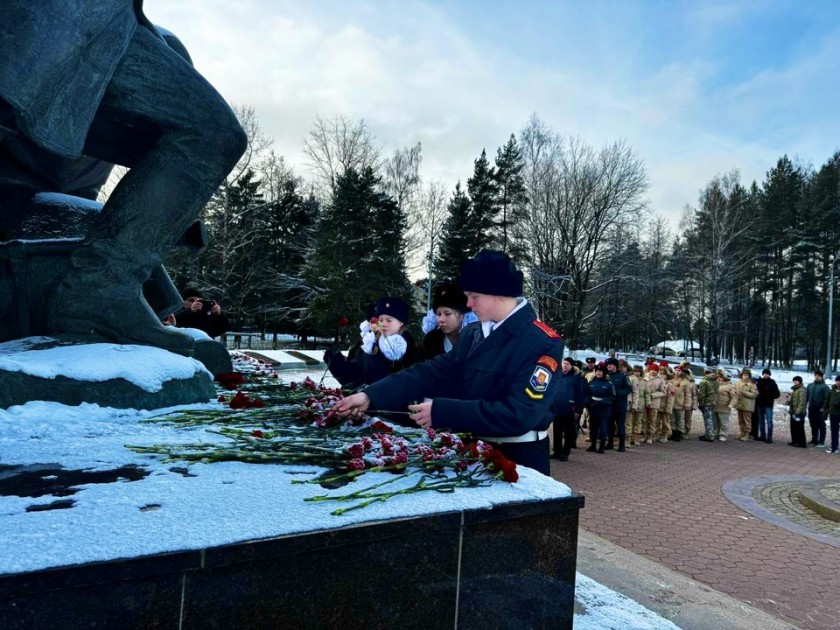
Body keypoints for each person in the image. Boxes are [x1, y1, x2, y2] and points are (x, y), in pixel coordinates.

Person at [0, 2, 247, 352]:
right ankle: (101, 287)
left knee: (211, 128)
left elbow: (84, 185)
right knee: (212, 132)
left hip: (102, 20)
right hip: (50, 20)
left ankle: (101, 287)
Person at [332, 250, 565, 475]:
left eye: (474, 296)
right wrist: (371, 395)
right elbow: (432, 372)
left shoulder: (541, 342)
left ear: (501, 294)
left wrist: (443, 411)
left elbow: (518, 415)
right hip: (474, 452)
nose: (469, 304)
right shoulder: (473, 333)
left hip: (519, 459)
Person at [325, 296, 420, 391]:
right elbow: (355, 376)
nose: (383, 324)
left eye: (389, 320)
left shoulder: (409, 349)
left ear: (401, 323)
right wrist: (336, 364)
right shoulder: (370, 345)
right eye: (381, 320)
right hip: (366, 402)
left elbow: (407, 385)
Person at [421, 283, 475, 359]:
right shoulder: (430, 342)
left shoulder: (475, 341)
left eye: (447, 314)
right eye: (439, 314)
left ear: (462, 315)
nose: (441, 319)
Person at [551, 357, 585, 461]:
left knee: (568, 432)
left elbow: (580, 395)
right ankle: (557, 451)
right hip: (557, 408)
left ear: (572, 366)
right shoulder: (557, 376)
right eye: (564, 363)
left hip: (570, 409)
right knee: (556, 431)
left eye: (567, 364)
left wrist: (578, 410)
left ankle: (565, 453)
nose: (565, 365)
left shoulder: (576, 378)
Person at [585, 362, 615, 454]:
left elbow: (612, 397)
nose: (598, 373)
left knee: (603, 428)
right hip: (593, 408)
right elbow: (587, 394)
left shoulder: (609, 384)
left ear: (604, 373)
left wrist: (603, 401)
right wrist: (588, 402)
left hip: (604, 409)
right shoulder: (591, 382)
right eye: (597, 371)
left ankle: (601, 446)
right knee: (593, 427)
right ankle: (593, 445)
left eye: (601, 371)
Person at [605, 357, 631, 451]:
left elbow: (628, 389)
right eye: (607, 365)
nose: (608, 366)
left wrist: (618, 393)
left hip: (619, 405)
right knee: (609, 425)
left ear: (615, 366)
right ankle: (610, 443)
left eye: (610, 365)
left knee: (620, 426)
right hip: (609, 404)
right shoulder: (606, 375)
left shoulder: (623, 376)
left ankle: (621, 444)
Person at [626, 365, 650, 447]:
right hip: (630, 402)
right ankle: (628, 439)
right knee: (629, 421)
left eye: (638, 372)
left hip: (640, 403)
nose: (637, 373)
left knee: (638, 421)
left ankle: (636, 438)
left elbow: (647, 393)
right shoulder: (629, 379)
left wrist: (648, 403)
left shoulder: (644, 382)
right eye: (635, 371)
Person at [755, 368, 780, 444]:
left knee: (769, 421)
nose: (765, 375)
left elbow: (777, 394)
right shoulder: (759, 382)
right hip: (760, 404)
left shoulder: (772, 383)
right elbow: (755, 391)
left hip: (768, 404)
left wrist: (770, 394)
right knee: (761, 421)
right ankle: (762, 436)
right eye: (764, 373)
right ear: (762, 374)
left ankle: (769, 437)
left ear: (769, 374)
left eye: (767, 374)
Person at [806, 371, 830, 447]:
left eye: (819, 376)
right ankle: (814, 440)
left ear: (822, 377)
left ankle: (821, 441)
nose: (817, 377)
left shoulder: (825, 387)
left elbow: (828, 399)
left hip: (820, 409)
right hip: (811, 407)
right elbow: (806, 397)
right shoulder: (810, 385)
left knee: (821, 425)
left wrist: (824, 408)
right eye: (816, 375)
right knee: (813, 424)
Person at [644, 363, 666, 444]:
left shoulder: (660, 380)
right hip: (644, 401)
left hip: (654, 402)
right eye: (652, 370)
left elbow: (663, 392)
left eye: (655, 370)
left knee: (652, 420)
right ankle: (644, 435)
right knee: (643, 419)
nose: (653, 372)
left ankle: (650, 435)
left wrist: (652, 395)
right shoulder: (645, 377)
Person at [735, 369, 758, 441]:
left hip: (747, 405)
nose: (745, 377)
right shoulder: (738, 383)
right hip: (739, 404)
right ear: (741, 375)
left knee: (747, 421)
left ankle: (746, 434)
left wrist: (744, 393)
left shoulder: (752, 384)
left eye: (747, 375)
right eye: (744, 375)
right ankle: (742, 433)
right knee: (741, 420)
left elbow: (755, 394)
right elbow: (735, 391)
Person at [697, 367, 719, 442]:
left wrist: (700, 403)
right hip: (713, 402)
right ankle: (709, 434)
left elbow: (702, 394)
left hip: (706, 402)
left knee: (708, 419)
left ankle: (709, 436)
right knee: (711, 418)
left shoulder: (704, 382)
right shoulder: (715, 381)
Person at [714, 370, 736, 441]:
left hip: (724, 407)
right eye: (719, 377)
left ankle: (723, 435)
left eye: (721, 377)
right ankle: (715, 433)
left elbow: (734, 397)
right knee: (716, 422)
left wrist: (731, 404)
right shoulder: (716, 385)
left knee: (723, 423)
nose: (719, 378)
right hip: (715, 406)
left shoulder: (730, 386)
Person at [787, 376, 807, 448]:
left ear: (800, 381)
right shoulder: (795, 389)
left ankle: (802, 443)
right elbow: (793, 401)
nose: (795, 382)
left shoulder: (802, 390)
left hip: (799, 413)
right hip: (793, 411)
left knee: (799, 428)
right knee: (793, 427)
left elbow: (802, 402)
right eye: (794, 380)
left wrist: (797, 412)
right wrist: (789, 399)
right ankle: (795, 441)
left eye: (797, 381)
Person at [824, 375, 840, 455]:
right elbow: (827, 400)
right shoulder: (832, 391)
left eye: (839, 381)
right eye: (837, 381)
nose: (838, 382)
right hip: (833, 413)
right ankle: (834, 447)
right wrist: (825, 409)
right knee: (834, 431)